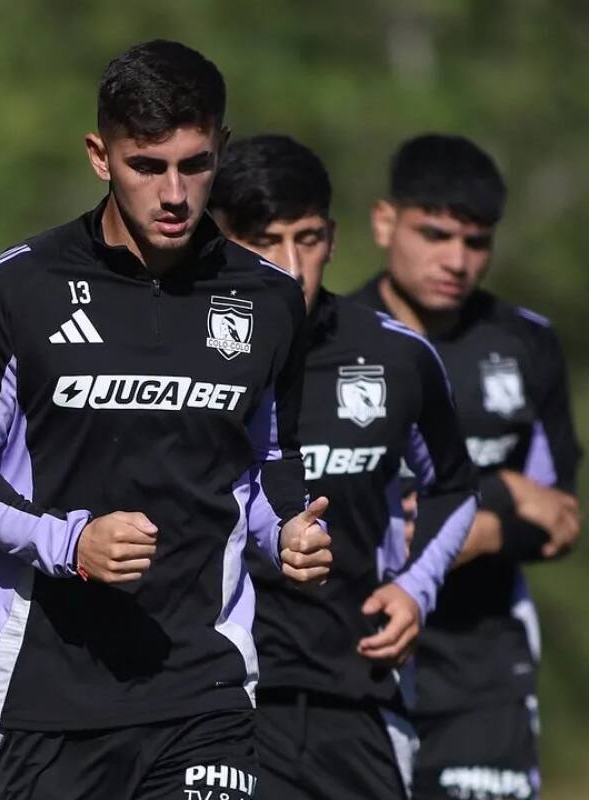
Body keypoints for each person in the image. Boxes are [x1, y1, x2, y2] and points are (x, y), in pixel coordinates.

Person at [0, 41, 332, 800]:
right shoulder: (20, 289)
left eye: (195, 164)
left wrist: (288, 534)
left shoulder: (269, 298)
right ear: (99, 156)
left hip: (204, 691)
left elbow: (270, 461)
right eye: (147, 166)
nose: (173, 193)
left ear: (223, 151)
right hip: (44, 700)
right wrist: (70, 542)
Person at [209, 134, 478, 800]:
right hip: (218, 703)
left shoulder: (397, 357)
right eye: (265, 240)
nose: (290, 266)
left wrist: (417, 588)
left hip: (357, 698)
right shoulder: (183, 357)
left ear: (333, 236)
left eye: (307, 238)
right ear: (220, 236)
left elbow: (455, 485)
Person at [350, 133, 582, 800]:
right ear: (384, 221)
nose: (456, 259)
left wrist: (454, 526)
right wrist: (499, 491)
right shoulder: (331, 339)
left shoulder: (526, 342)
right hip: (361, 662)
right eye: (436, 234)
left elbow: (560, 518)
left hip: (485, 676)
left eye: (476, 242)